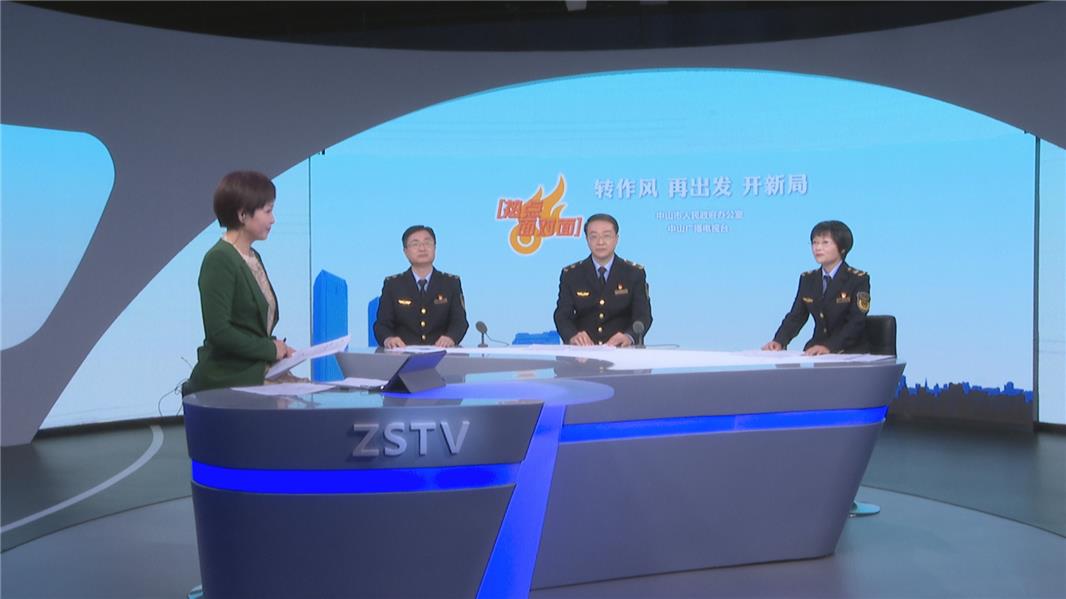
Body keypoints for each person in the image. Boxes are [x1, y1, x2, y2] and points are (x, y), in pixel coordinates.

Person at [185, 171, 294, 394]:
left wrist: (278, 349)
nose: (273, 219)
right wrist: (270, 349)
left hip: (254, 368)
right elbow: (220, 332)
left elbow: (250, 327)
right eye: (268, 211)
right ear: (243, 215)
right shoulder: (219, 259)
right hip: (228, 374)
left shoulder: (253, 257)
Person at [762, 220, 870, 355]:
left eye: (825, 243)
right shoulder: (808, 279)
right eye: (815, 242)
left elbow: (856, 321)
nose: (818, 248)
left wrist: (829, 347)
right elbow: (796, 316)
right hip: (816, 349)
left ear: (842, 248)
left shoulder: (857, 279)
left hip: (851, 352)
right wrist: (779, 341)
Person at [554, 213, 652, 346]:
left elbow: (643, 315)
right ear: (587, 239)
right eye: (594, 236)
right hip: (583, 352)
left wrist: (629, 337)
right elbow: (562, 316)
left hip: (623, 352)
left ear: (616, 239)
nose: (600, 242)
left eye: (606, 236)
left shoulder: (634, 273)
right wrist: (572, 336)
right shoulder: (571, 274)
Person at [374, 225, 469, 348]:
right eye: (415, 244)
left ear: (435, 248)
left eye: (427, 243)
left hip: (442, 353)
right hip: (402, 354)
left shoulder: (451, 283)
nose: (422, 248)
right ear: (405, 252)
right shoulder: (393, 285)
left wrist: (451, 337)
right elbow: (382, 324)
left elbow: (460, 322)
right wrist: (388, 339)